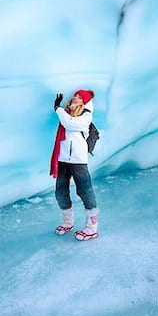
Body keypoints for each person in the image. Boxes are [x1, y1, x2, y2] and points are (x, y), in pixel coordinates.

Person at [49, 89, 98, 240]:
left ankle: (92, 228)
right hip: (63, 159)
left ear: (85, 102)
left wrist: (58, 109)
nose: (75, 98)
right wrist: (62, 110)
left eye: (80, 97)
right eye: (75, 95)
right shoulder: (67, 113)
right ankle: (67, 222)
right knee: (60, 192)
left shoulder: (86, 116)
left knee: (85, 192)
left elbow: (70, 124)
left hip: (78, 161)